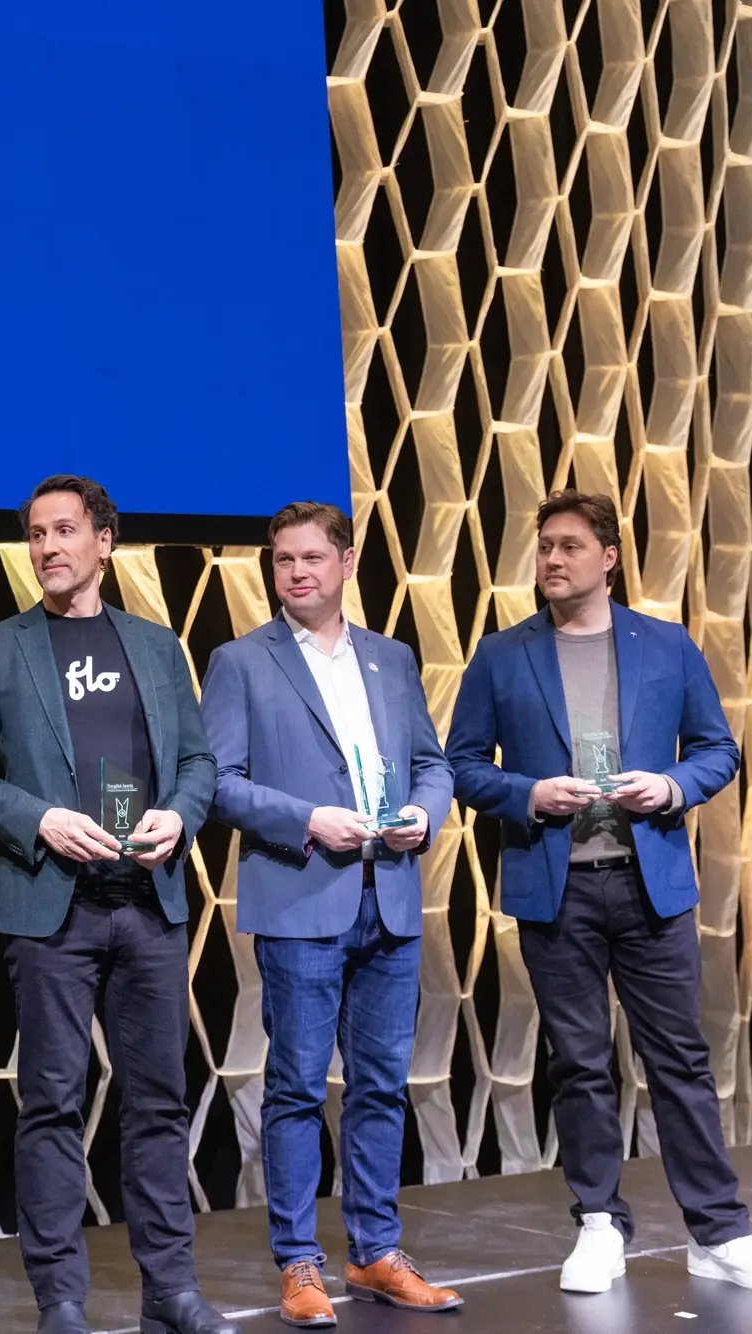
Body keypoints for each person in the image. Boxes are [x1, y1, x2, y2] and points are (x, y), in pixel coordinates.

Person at [445, 491, 752, 1294]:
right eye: (543, 548)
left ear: (609, 556)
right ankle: (599, 1223)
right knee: (578, 1062)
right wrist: (530, 795)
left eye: (569, 546)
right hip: (556, 887)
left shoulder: (666, 646)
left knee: (678, 1058)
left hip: (651, 886)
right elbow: (462, 764)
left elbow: (717, 748)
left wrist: (671, 788)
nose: (551, 561)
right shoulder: (504, 655)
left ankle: (719, 1231)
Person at [0, 476, 231, 1334]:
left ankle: (171, 1291)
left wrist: (178, 816)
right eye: (36, 534)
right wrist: (41, 820)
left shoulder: (156, 645)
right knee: (54, 1101)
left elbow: (200, 765)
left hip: (147, 901)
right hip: (50, 908)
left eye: (65, 531)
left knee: (158, 1101)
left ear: (105, 540)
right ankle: (60, 1300)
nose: (48, 548)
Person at [199, 501, 460, 1327]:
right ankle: (299, 1263)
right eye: (283, 561)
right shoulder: (242, 661)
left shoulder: (391, 658)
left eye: (312, 557)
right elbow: (219, 781)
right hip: (303, 891)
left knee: (381, 1085)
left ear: (346, 564)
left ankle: (376, 1252)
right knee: (297, 1089)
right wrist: (307, 819)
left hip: (389, 893)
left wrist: (425, 812)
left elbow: (431, 762)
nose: (297, 572)